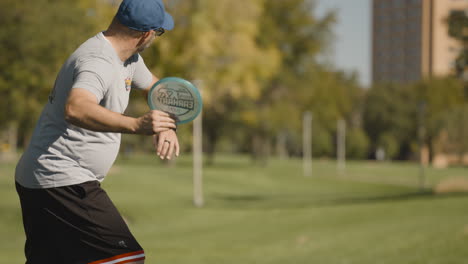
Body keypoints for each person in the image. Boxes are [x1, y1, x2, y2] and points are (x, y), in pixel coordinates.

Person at [14, 0, 178, 263]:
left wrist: (168, 124)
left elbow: (156, 89)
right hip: (62, 178)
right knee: (127, 258)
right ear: (146, 34)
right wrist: (137, 125)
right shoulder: (97, 61)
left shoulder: (129, 59)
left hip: (44, 179)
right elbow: (77, 108)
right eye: (159, 32)